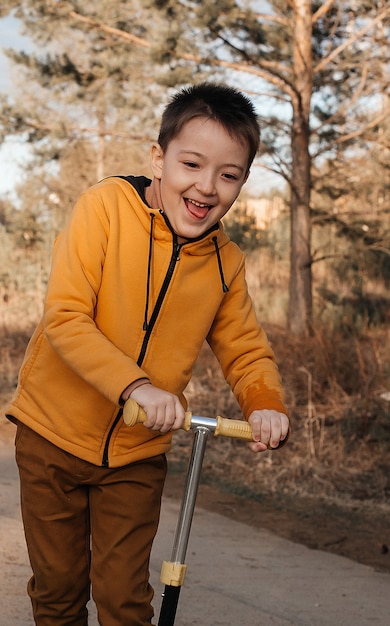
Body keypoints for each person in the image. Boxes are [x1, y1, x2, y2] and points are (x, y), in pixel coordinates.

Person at [6, 82, 290, 626]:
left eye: (228, 175)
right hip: (52, 436)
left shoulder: (226, 263)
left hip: (135, 455)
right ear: (158, 159)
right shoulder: (106, 209)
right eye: (192, 164)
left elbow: (245, 347)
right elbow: (66, 317)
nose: (207, 187)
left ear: (242, 183)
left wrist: (264, 403)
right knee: (60, 590)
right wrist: (135, 386)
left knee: (125, 598)